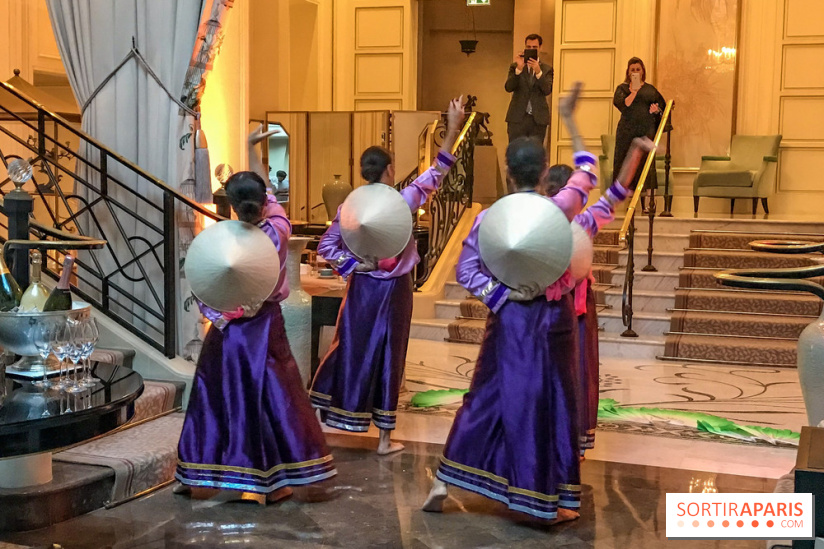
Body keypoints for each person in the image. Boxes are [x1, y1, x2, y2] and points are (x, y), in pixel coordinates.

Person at [422, 84, 599, 523]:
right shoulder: (559, 209)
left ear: (506, 170)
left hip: (507, 321)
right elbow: (589, 170)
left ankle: (445, 479)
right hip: (551, 321)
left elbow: (466, 272)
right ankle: (538, 500)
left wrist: (502, 295)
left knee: (485, 398)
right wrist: (570, 118)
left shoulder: (489, 218)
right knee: (547, 403)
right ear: (543, 174)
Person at [175, 130, 336, 503]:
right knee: (274, 398)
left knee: (215, 397)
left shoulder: (224, 242)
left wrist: (219, 314)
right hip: (266, 324)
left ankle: (197, 471)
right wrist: (253, 152)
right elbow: (271, 197)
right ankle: (273, 481)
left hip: (229, 330)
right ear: (264, 202)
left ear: (231, 205)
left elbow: (203, 285)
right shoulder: (278, 229)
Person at [309, 97, 465, 455]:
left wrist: (354, 266)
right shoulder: (403, 200)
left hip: (362, 287)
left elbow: (326, 247)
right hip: (395, 289)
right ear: (390, 170)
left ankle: (323, 415)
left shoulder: (350, 206)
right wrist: (452, 127)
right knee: (390, 354)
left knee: (349, 347)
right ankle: (383, 438)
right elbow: (438, 170)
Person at [545, 137, 653, 459]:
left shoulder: (582, 220)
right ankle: (558, 439)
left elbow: (618, 190)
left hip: (570, 308)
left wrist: (634, 151)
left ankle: (567, 440)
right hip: (551, 308)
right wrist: (635, 151)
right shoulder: (562, 219)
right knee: (565, 374)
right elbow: (618, 190)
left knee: (572, 374)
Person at [612, 57, 665, 212]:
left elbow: (661, 108)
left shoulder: (650, 89)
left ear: (643, 71)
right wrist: (633, 92)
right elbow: (623, 105)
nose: (635, 72)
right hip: (627, 132)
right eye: (632, 70)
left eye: (638, 69)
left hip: (646, 131)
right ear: (628, 72)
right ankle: (629, 203)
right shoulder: (622, 89)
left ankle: (647, 203)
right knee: (627, 163)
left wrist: (656, 111)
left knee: (646, 165)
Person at [505, 34, 553, 144]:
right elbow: (508, 87)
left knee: (535, 154)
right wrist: (518, 70)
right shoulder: (515, 67)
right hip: (517, 118)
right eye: (528, 47)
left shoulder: (546, 69)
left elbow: (547, 90)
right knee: (515, 153)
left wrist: (538, 72)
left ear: (540, 48)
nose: (531, 49)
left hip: (538, 119)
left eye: (534, 47)